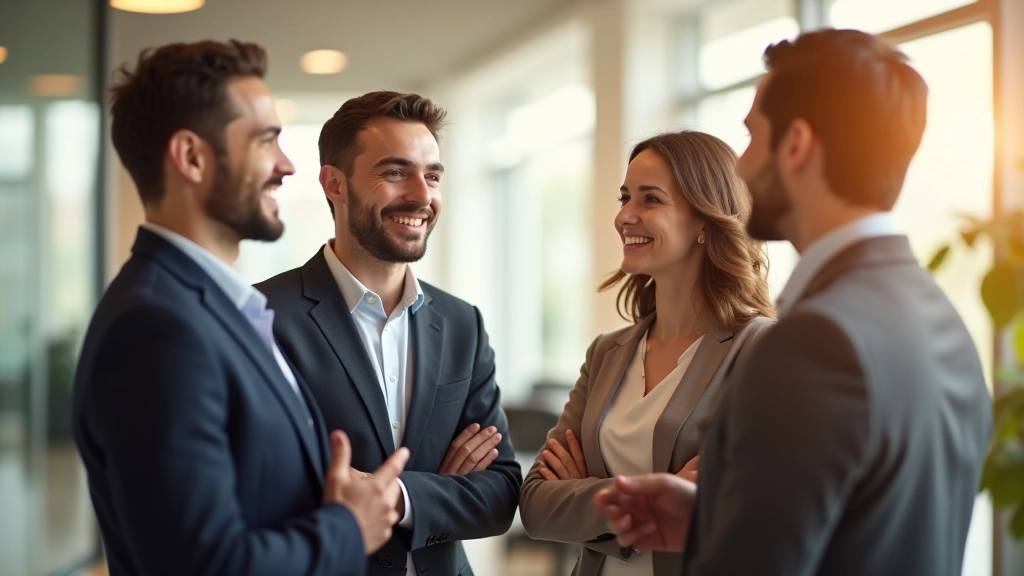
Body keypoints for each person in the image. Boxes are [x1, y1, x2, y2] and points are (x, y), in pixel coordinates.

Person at [596, 29, 993, 576]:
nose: (741, 168)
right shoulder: (941, 318)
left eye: (753, 137)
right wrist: (713, 518)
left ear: (797, 145)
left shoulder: (814, 342)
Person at [72, 40, 408, 576]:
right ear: (192, 157)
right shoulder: (156, 328)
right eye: (265, 140)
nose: (287, 164)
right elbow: (204, 564)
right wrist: (348, 526)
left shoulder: (213, 310)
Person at [255, 91, 521, 576]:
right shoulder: (261, 317)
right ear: (335, 184)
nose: (422, 195)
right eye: (396, 173)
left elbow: (501, 494)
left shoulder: (463, 324)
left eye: (433, 175)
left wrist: (402, 495)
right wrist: (440, 487)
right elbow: (260, 487)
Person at [519, 130, 775, 576]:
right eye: (625, 197)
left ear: (703, 221)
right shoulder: (606, 353)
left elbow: (747, 509)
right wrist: (664, 495)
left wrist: (586, 493)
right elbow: (537, 505)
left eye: (650, 200)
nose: (624, 217)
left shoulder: (760, 350)